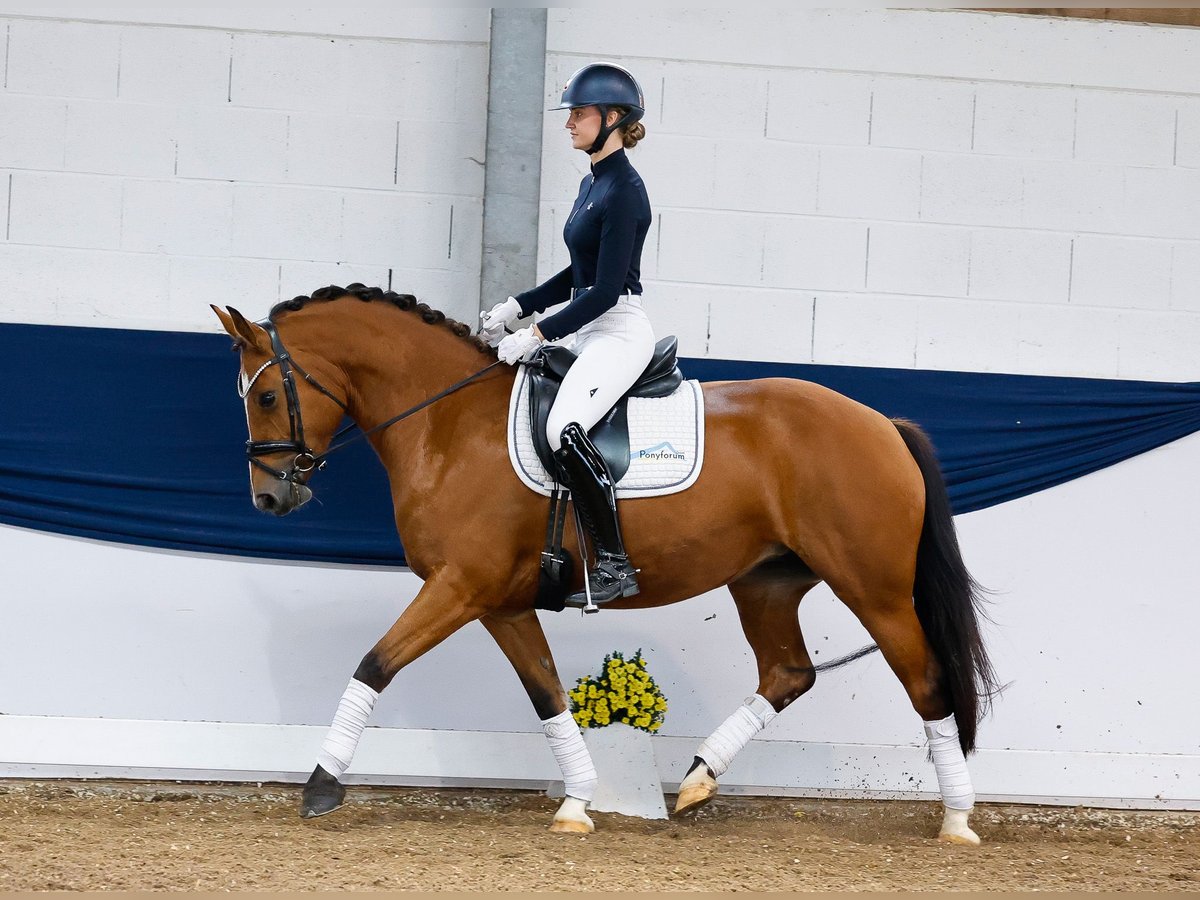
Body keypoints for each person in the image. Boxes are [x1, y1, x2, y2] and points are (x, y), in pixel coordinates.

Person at [480, 62, 654, 606]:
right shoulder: (592, 183)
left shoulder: (625, 190)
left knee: (563, 427)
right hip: (584, 323)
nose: (569, 122)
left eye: (578, 113)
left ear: (613, 118)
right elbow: (576, 274)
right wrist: (519, 304)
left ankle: (614, 563)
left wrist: (535, 334)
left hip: (616, 330)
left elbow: (603, 292)